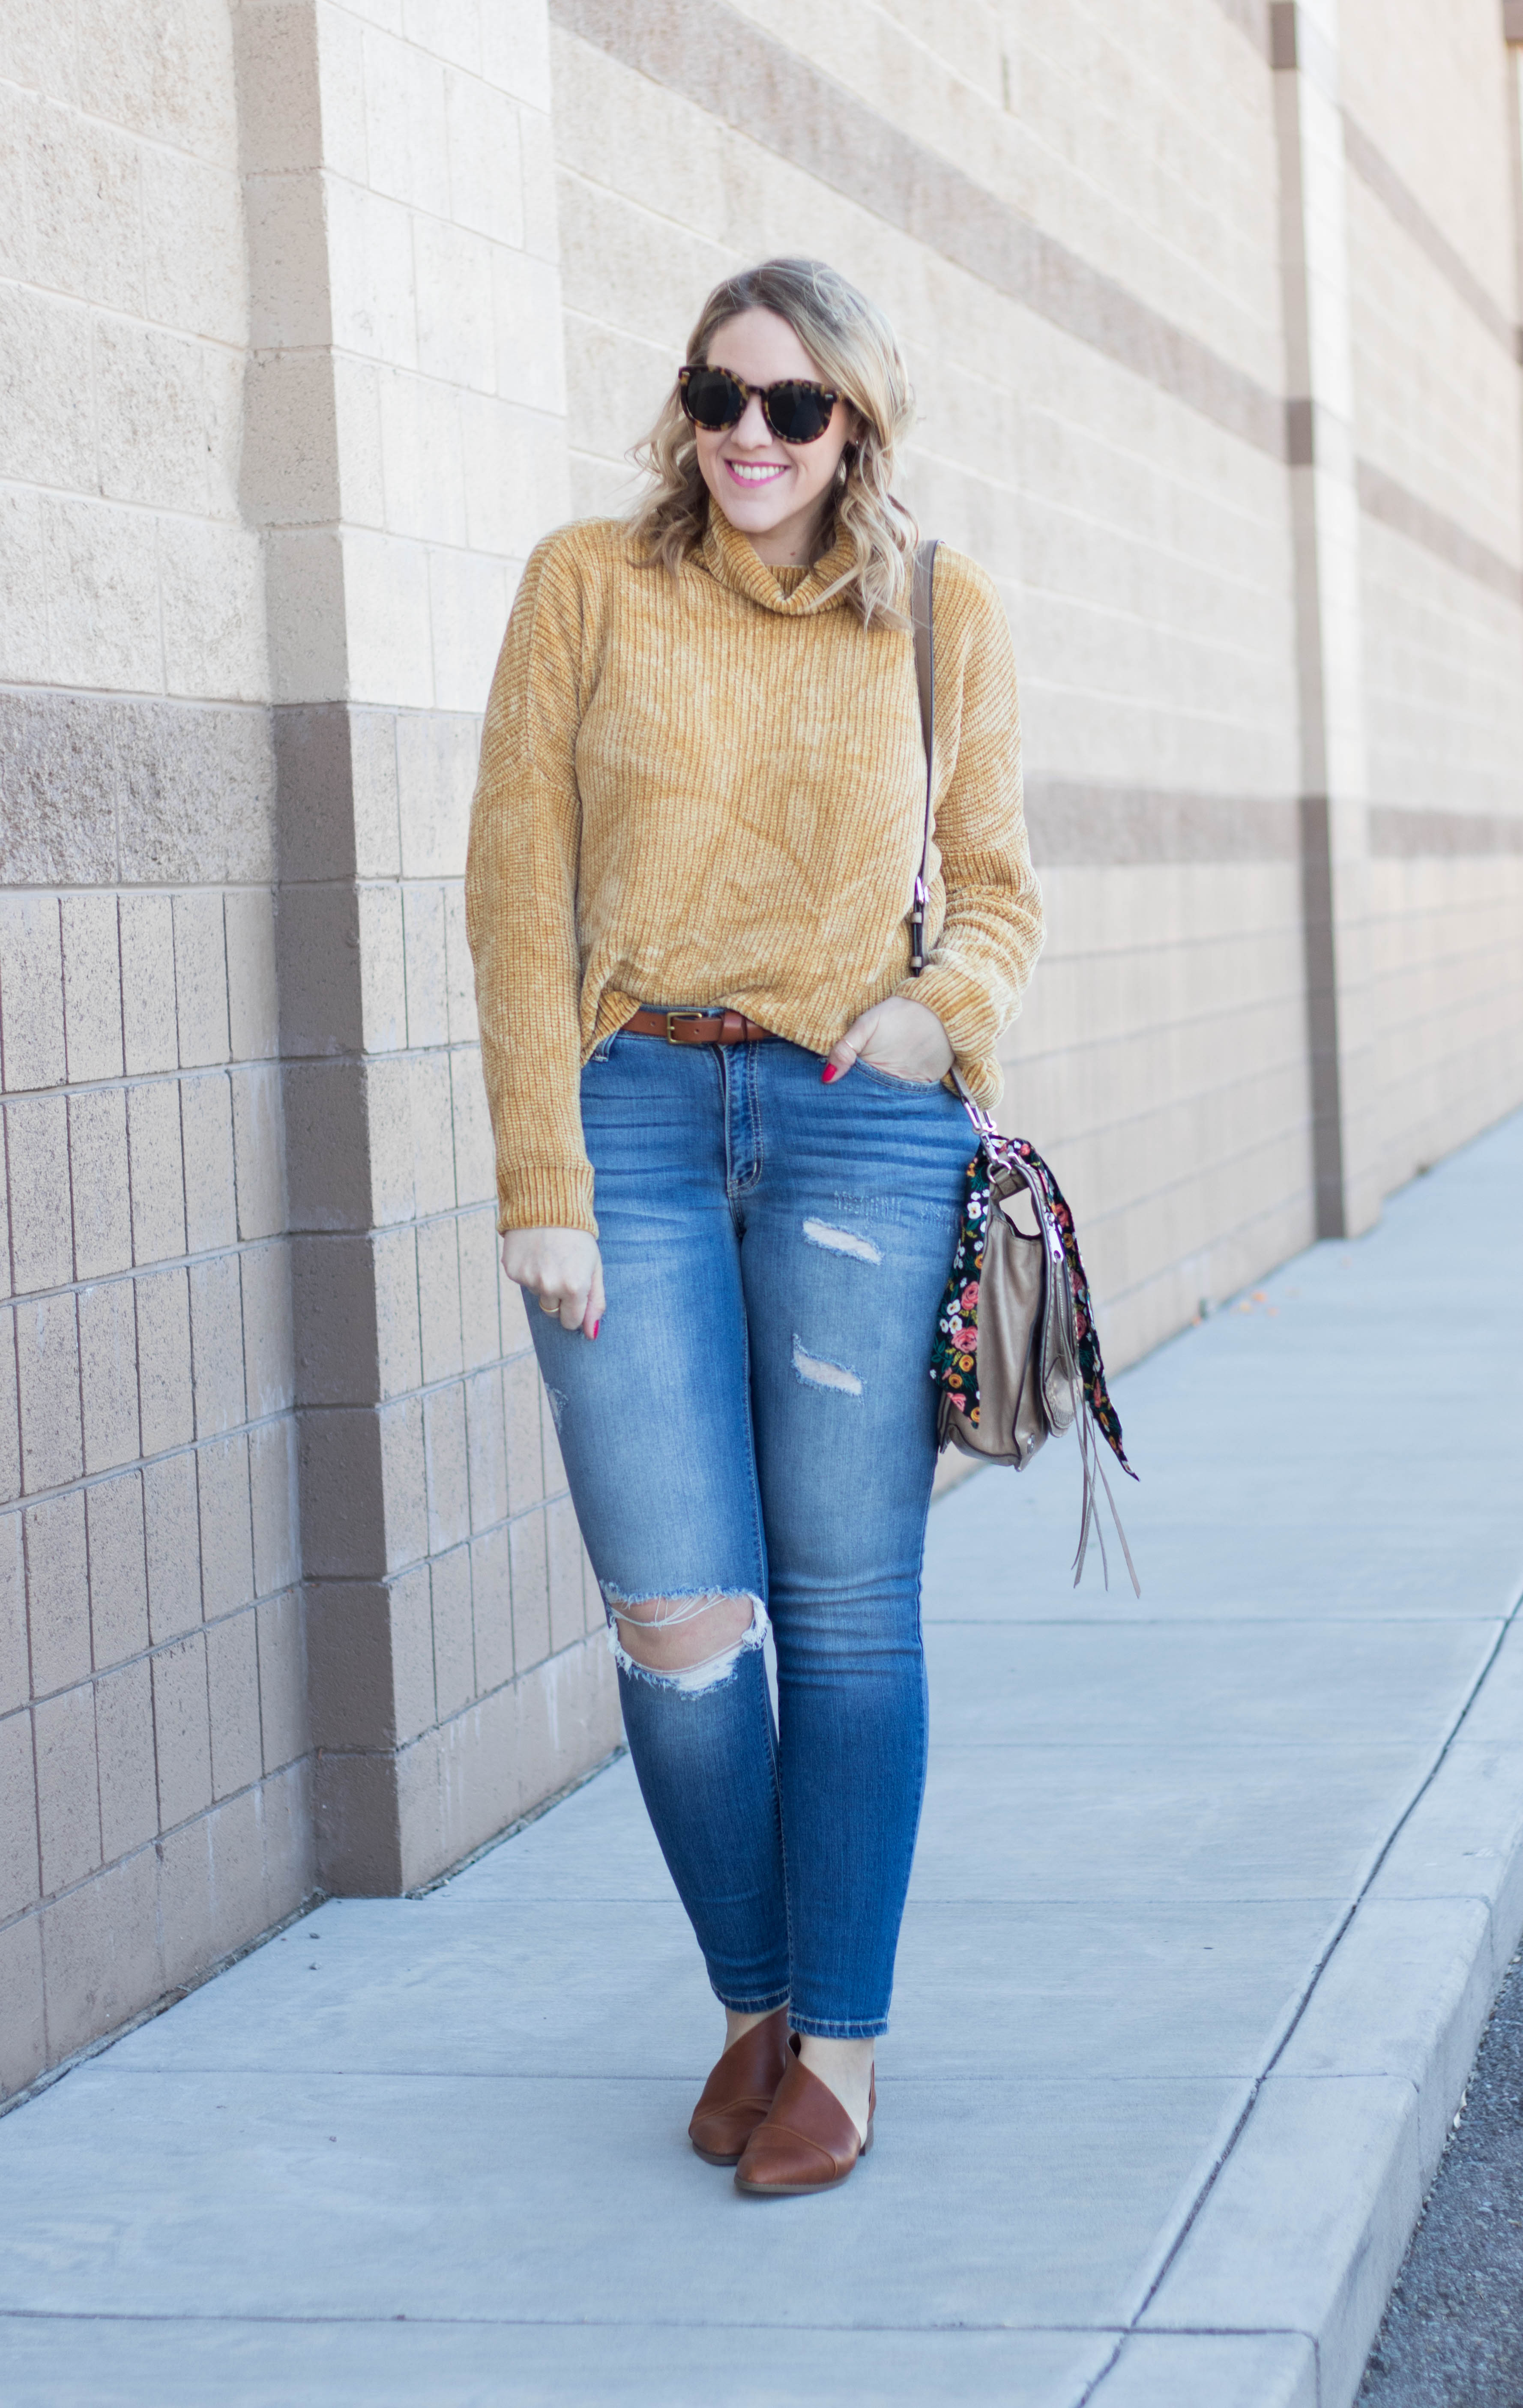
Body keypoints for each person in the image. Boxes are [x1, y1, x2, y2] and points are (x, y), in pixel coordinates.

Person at [465, 257, 1042, 2196]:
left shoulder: (941, 615)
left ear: (856, 426)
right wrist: (539, 1175)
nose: (748, 436)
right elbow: (511, 893)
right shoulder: (585, 584)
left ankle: (841, 2046)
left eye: (794, 407)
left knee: (846, 1605)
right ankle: (754, 1999)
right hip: (627, 1104)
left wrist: (928, 1014)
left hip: (849, 1127)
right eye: (720, 392)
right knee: (677, 1617)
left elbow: (997, 895)